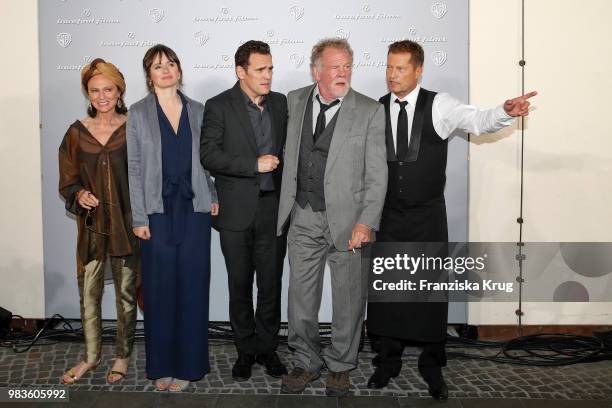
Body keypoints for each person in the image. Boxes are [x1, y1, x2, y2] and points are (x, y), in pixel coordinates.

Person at [366, 40, 537, 400]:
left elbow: (477, 119)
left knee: (428, 293)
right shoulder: (376, 109)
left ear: (418, 70)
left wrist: (504, 111)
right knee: (388, 293)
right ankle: (387, 361)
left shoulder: (439, 104)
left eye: (400, 68)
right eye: (388, 67)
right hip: (389, 217)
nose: (392, 75)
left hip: (427, 216)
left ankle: (432, 366)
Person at [276, 38, 387, 397]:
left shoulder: (369, 110)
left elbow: (377, 174)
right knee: (300, 298)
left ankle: (341, 365)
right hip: (304, 214)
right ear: (316, 70)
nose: (342, 73)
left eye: (348, 66)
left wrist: (365, 222)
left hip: (349, 220)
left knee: (349, 299)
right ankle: (306, 360)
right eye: (335, 66)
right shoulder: (293, 101)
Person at [126, 44, 218, 392]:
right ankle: (161, 366)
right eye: (157, 65)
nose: (166, 69)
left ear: (179, 70)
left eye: (171, 63)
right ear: (149, 75)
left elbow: (210, 161)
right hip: (156, 213)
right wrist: (139, 216)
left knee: (193, 290)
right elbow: (133, 169)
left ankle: (189, 367)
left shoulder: (199, 110)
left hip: (194, 210)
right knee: (159, 292)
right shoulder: (137, 113)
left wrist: (215, 196)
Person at [201, 40, 288, 381]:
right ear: (241, 72)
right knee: (239, 286)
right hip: (235, 213)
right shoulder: (219, 106)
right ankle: (244, 351)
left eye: (270, 69)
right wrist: (253, 164)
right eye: (260, 70)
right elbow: (209, 154)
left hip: (273, 211)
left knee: (271, 285)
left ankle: (267, 349)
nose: (268, 76)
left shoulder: (280, 103)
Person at [58, 58, 138, 384]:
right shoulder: (75, 133)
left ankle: (122, 356)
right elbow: (68, 180)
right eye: (95, 90)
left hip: (127, 225)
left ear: (119, 91)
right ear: (87, 94)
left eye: (108, 89)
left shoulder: (134, 127)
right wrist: (78, 194)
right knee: (88, 292)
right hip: (91, 228)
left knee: (126, 294)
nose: (102, 96)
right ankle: (90, 357)